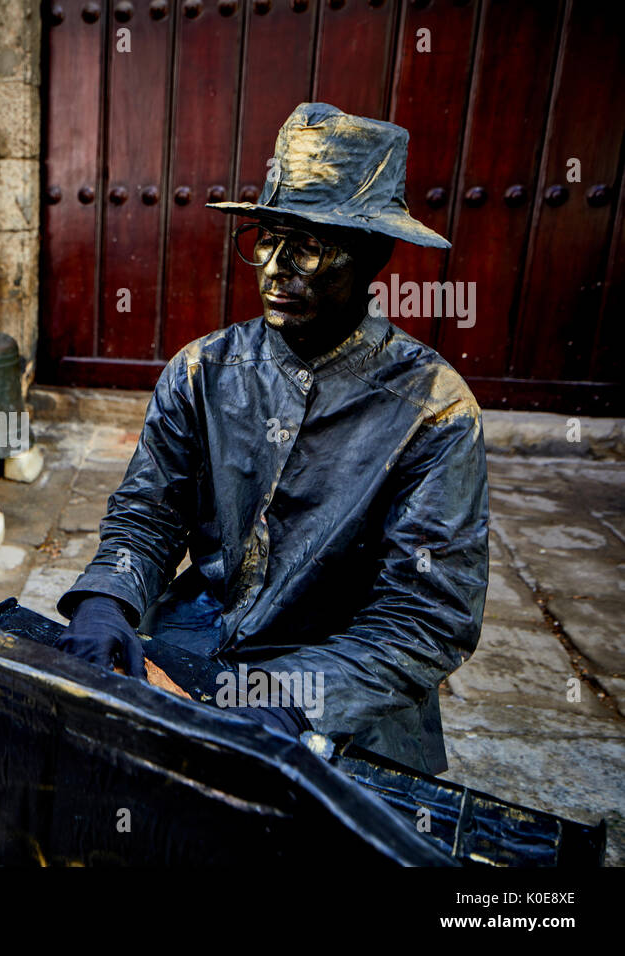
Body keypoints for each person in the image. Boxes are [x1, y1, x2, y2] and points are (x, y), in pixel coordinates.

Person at [56, 103, 489, 775]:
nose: (275, 266)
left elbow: (427, 613)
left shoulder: (433, 409)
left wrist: (284, 699)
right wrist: (105, 597)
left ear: (372, 254)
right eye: (266, 237)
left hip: (346, 680)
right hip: (201, 637)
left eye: (307, 244)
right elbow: (147, 516)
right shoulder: (202, 371)